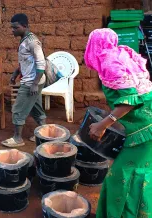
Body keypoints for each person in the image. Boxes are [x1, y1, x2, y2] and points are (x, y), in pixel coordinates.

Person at [84, 28, 152, 218]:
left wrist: (103, 124)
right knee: (140, 172)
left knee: (122, 176)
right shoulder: (123, 55)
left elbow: (130, 99)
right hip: (146, 124)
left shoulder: (110, 62)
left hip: (143, 130)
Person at [2, 13, 47, 147]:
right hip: (32, 80)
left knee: (17, 109)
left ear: (25, 26)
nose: (13, 30)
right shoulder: (24, 40)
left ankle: (17, 139)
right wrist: (15, 73)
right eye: (12, 27)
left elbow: (41, 63)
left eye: (15, 27)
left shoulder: (33, 42)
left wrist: (33, 84)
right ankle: (44, 133)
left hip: (31, 82)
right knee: (35, 107)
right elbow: (25, 62)